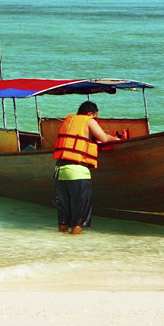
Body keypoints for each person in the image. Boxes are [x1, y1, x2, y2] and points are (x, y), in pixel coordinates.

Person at [52, 99, 120, 235]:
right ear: (90, 113)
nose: (96, 120)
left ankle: (61, 241)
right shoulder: (89, 120)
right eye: (96, 116)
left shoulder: (69, 119)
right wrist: (118, 140)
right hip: (78, 173)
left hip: (59, 172)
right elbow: (104, 138)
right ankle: (74, 246)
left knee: (64, 216)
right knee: (79, 218)